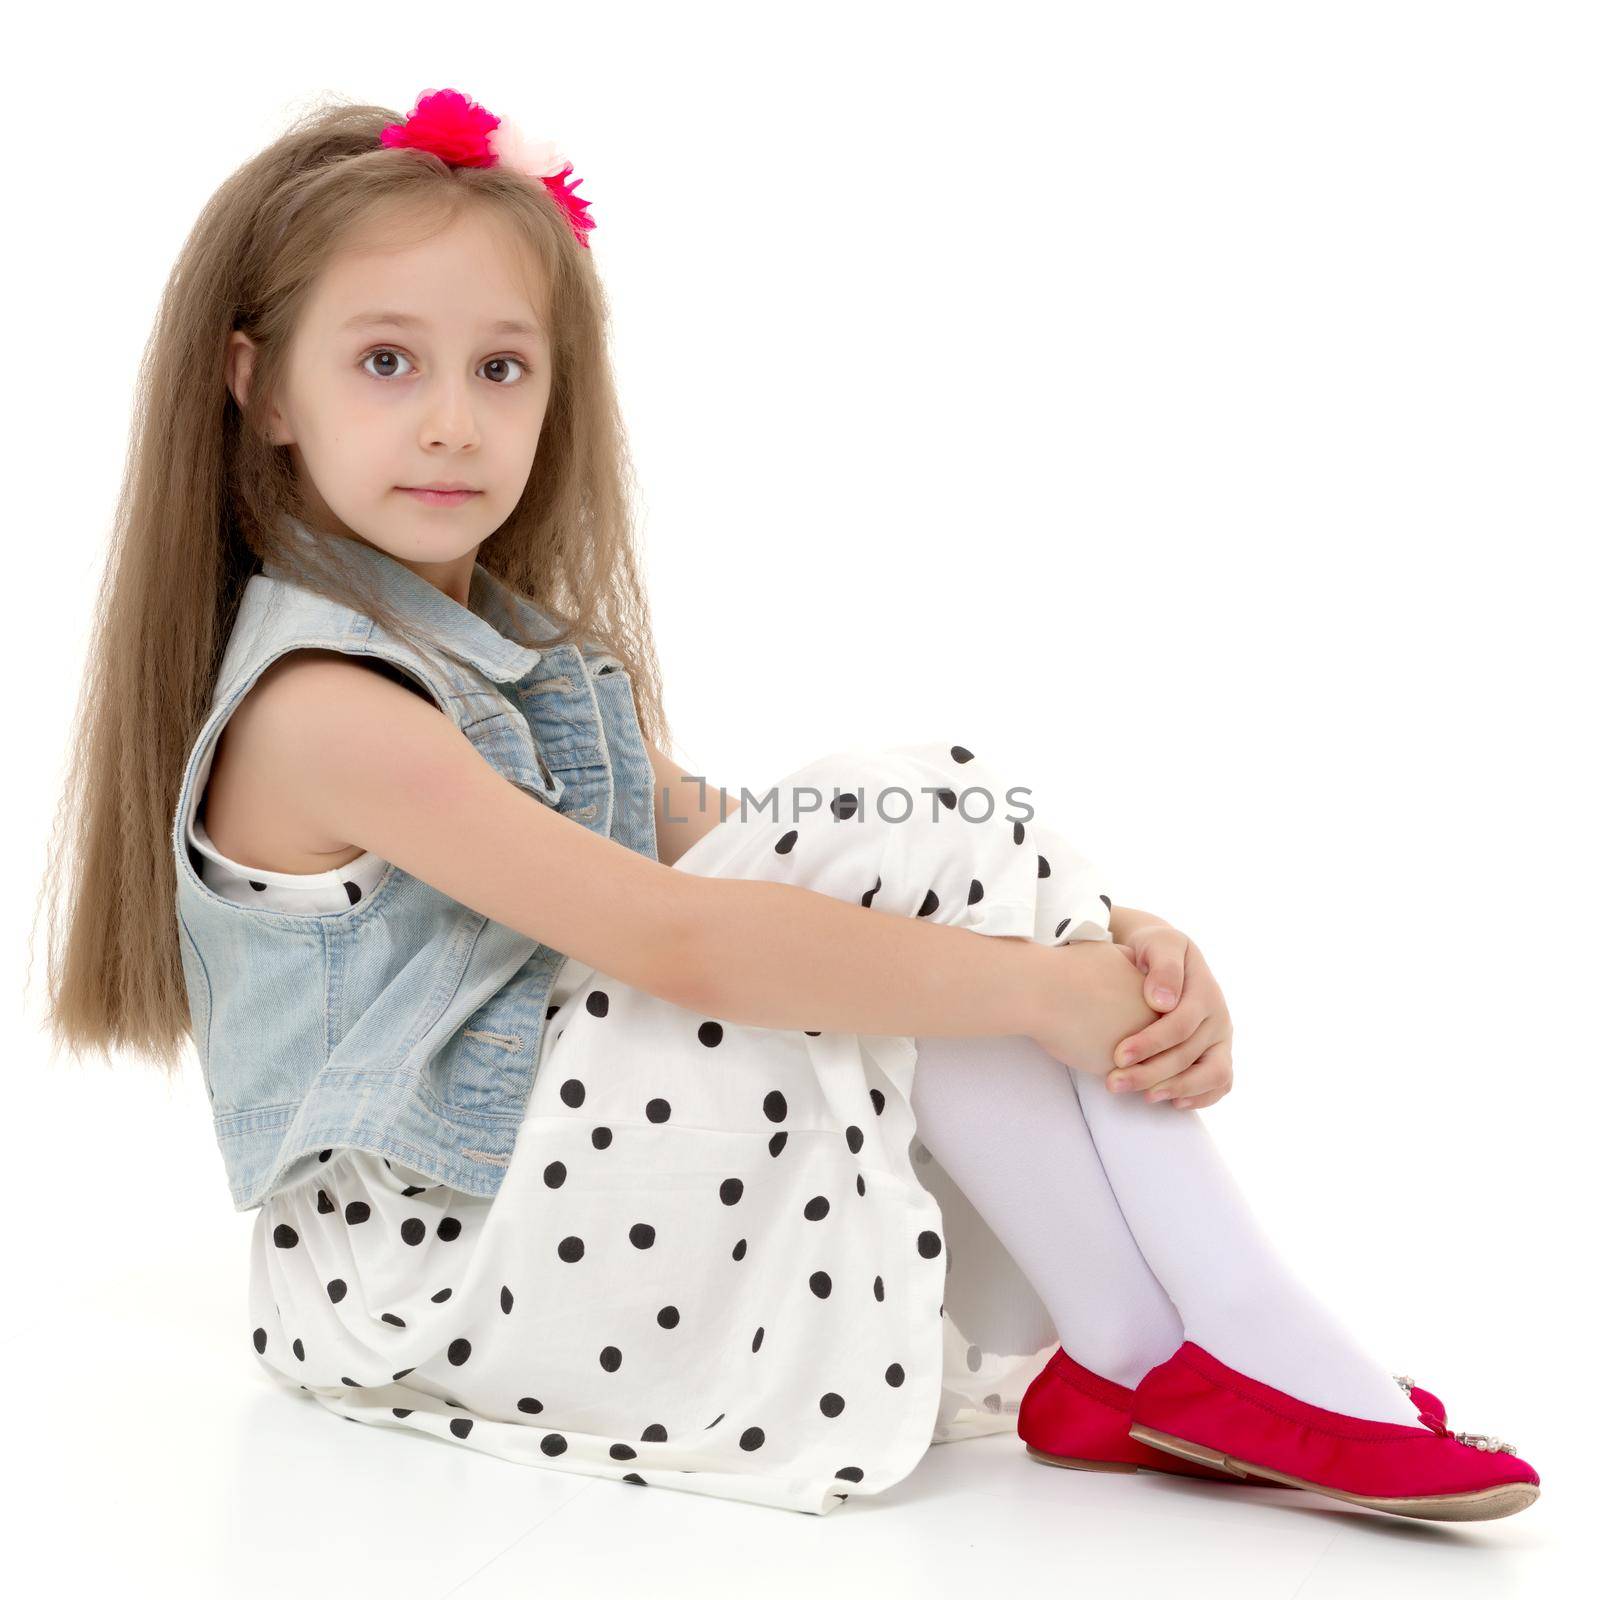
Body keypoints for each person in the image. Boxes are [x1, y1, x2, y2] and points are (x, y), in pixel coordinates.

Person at [37, 87, 1538, 1521]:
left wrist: (1104, 933)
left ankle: (1167, 1351)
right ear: (259, 388)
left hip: (544, 1205)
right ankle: (1200, 1347)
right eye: (385, 362)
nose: (451, 423)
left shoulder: (509, 653)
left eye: (501, 368)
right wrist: (1038, 990)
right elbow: (676, 937)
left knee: (917, 811)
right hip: (424, 1281)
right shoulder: (321, 708)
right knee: (894, 832)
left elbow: (714, 825)